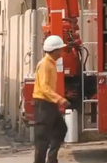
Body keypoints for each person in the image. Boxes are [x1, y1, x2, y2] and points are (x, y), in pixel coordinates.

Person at [33, 35, 70, 163]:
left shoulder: (51, 63)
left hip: (49, 103)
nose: (61, 52)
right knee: (42, 138)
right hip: (43, 104)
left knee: (61, 128)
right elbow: (44, 87)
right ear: (54, 50)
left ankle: (52, 158)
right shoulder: (45, 64)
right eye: (60, 49)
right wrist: (59, 99)